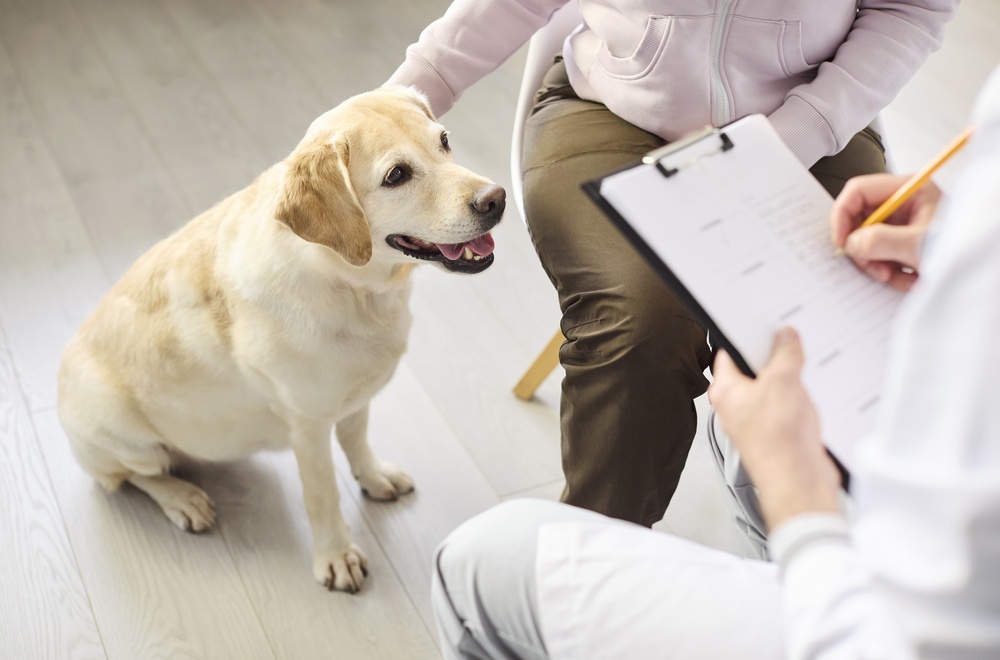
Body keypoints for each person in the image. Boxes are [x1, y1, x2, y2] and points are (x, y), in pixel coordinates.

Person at [427, 63, 1000, 660]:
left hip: (884, 618)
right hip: (898, 557)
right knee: (730, 370)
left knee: (479, 567)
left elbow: (926, 639)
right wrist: (955, 240)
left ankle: (771, 551)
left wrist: (799, 493)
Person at [387, 1, 960, 527]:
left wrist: (796, 134)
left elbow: (910, 6)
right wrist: (400, 102)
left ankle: (809, 561)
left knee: (816, 337)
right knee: (638, 324)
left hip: (815, 120)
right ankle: (598, 559)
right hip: (611, 110)